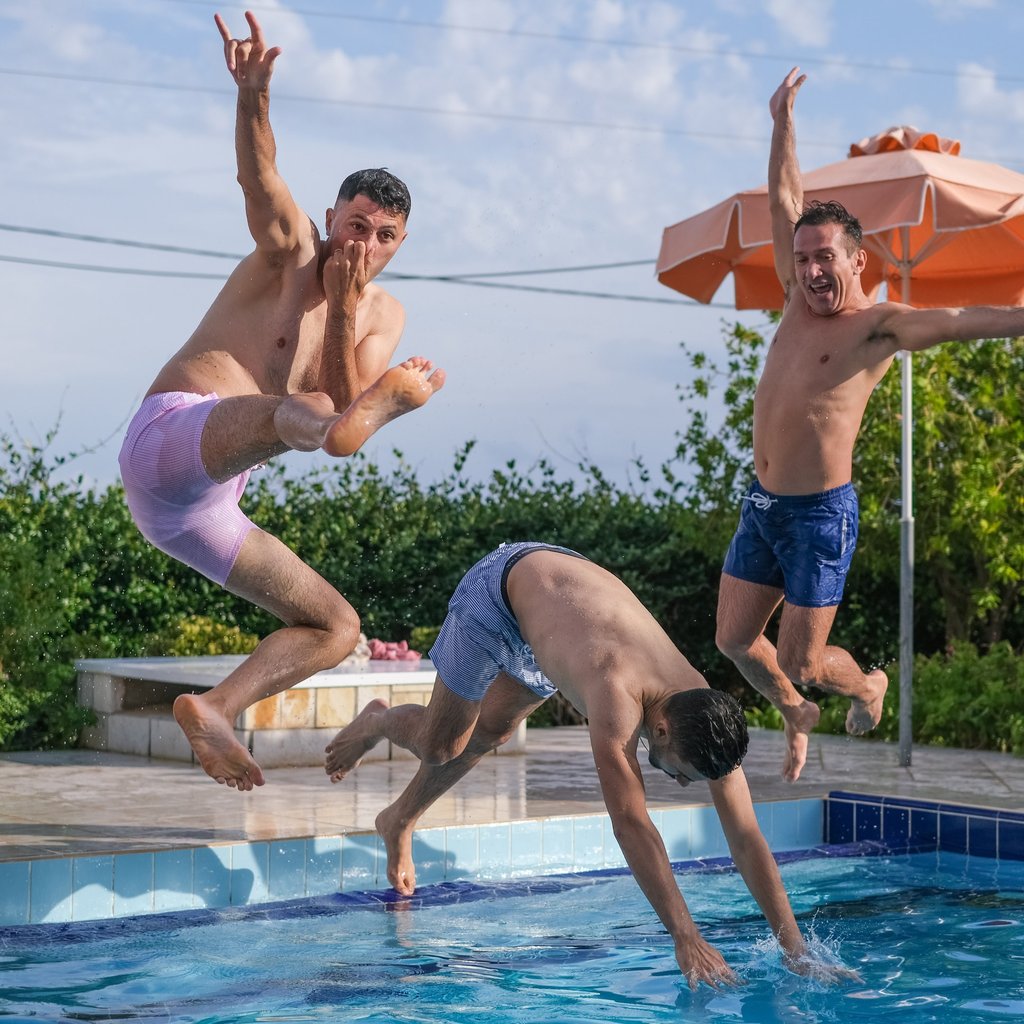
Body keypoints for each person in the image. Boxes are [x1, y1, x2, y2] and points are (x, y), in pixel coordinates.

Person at [118, 11, 444, 792]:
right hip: (171, 443)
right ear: (332, 217)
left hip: (205, 506)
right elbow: (259, 177)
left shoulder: (382, 313)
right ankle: (371, 415)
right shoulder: (292, 247)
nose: (364, 243)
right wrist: (253, 97)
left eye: (384, 234)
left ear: (401, 243)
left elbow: (334, 400)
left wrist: (342, 307)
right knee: (301, 418)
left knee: (336, 628)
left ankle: (217, 708)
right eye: (355, 224)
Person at [325, 542, 857, 989]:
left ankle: (398, 818)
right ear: (662, 730)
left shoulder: (702, 709)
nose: (676, 780)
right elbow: (631, 821)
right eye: (681, 772)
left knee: (492, 730)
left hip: (557, 610)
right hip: (499, 594)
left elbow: (745, 835)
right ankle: (377, 722)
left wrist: (796, 948)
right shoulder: (615, 697)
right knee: (442, 744)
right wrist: (685, 936)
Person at [715, 66, 1024, 783]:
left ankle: (865, 685)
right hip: (761, 505)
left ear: (858, 259)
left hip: (820, 516)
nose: (815, 271)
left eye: (828, 258)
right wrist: (781, 121)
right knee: (734, 641)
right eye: (804, 257)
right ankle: (797, 711)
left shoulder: (877, 327)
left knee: (803, 658)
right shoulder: (794, 300)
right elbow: (784, 195)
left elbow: (960, 321)